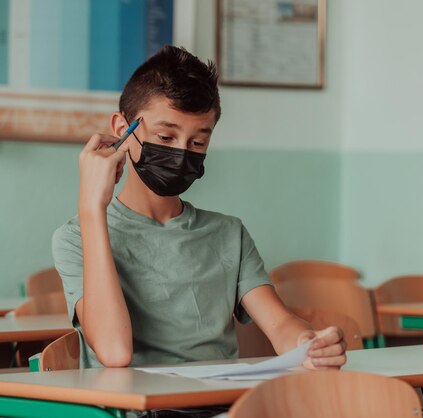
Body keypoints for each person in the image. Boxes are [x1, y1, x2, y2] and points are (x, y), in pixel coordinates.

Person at [51, 45, 346, 375]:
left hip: (219, 404)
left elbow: (279, 324)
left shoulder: (229, 234)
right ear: (123, 131)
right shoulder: (76, 237)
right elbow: (115, 352)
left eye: (197, 143)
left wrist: (310, 344)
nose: (180, 154)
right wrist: (92, 207)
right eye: (165, 136)